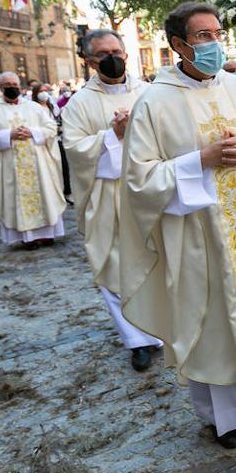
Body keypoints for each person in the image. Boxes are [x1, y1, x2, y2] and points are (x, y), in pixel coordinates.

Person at [118, 2, 236, 448]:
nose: (214, 43)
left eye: (217, 33)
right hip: (199, 234)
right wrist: (199, 161)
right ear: (179, 44)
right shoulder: (154, 101)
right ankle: (225, 420)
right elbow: (140, 178)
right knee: (214, 323)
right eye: (203, 36)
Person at [62, 29, 163, 372]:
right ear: (89, 62)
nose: (112, 58)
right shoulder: (79, 104)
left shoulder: (151, 93)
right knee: (115, 265)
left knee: (158, 257)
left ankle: (165, 328)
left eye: (117, 51)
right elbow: (74, 150)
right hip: (107, 195)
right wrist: (112, 137)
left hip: (150, 190)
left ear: (127, 54)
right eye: (103, 54)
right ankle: (137, 340)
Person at [0, 71, 67, 247]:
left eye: (15, 85)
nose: (12, 88)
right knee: (15, 198)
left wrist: (33, 132)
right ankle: (26, 238)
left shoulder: (34, 107)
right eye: (7, 86)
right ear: (1, 88)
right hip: (9, 164)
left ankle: (47, 234)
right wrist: (9, 135)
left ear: (20, 87)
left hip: (38, 161)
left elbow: (51, 127)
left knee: (44, 194)